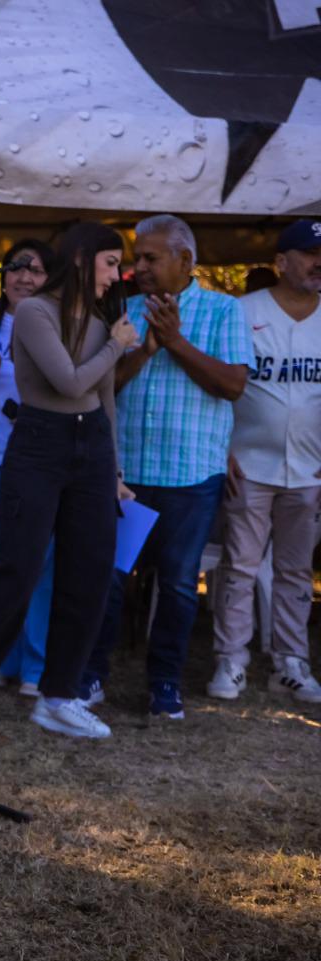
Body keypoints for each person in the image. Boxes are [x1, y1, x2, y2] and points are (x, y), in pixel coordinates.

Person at [0, 224, 139, 739]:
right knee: (17, 569)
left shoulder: (98, 318)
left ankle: (58, 695)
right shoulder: (34, 313)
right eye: (110, 263)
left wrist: (114, 468)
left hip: (92, 445)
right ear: (82, 260)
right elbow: (69, 382)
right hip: (39, 441)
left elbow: (103, 398)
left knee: (89, 573)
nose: (117, 274)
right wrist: (116, 346)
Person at [82, 215, 249, 720]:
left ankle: (164, 685)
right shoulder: (123, 309)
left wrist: (174, 342)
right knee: (110, 579)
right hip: (127, 473)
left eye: (151, 258)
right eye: (137, 257)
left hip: (191, 477)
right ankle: (91, 675)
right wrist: (146, 348)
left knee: (178, 584)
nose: (140, 267)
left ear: (185, 261)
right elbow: (102, 386)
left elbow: (233, 385)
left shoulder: (224, 311)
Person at [209, 219, 321, 702]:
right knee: (240, 565)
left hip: (310, 468)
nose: (319, 263)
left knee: (298, 570)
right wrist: (221, 448)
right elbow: (216, 388)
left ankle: (290, 662)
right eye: (309, 253)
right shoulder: (241, 311)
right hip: (248, 463)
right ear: (281, 261)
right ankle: (230, 660)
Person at [0, 239, 55, 697]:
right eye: (16, 268)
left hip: (41, 466)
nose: (24, 277)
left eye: (36, 269)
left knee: (39, 567)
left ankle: (35, 669)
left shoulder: (59, 326)